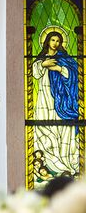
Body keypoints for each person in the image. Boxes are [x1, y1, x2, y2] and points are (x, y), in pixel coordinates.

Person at [32, 30, 79, 176]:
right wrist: (43, 64)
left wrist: (59, 68)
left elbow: (74, 73)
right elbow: (34, 73)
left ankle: (64, 162)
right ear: (47, 41)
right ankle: (49, 162)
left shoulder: (64, 58)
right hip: (44, 96)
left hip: (60, 98)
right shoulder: (41, 58)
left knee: (60, 127)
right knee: (44, 124)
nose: (56, 43)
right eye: (53, 40)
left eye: (58, 41)